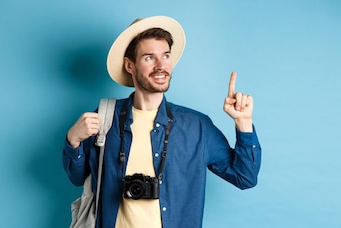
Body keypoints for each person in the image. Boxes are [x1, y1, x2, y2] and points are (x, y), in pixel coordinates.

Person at [63, 16, 262, 228]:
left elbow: (245, 177)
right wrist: (73, 140)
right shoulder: (105, 117)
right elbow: (77, 178)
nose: (161, 66)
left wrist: (244, 123)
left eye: (166, 56)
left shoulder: (197, 126)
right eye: (149, 57)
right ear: (130, 65)